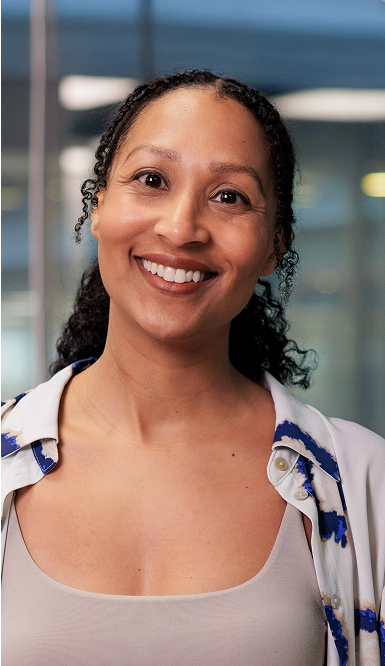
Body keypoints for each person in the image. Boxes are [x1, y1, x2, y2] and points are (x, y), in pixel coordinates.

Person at [0, 70, 384, 666]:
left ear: (274, 243)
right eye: (152, 180)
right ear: (98, 204)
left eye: (229, 196)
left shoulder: (362, 484)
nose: (181, 227)